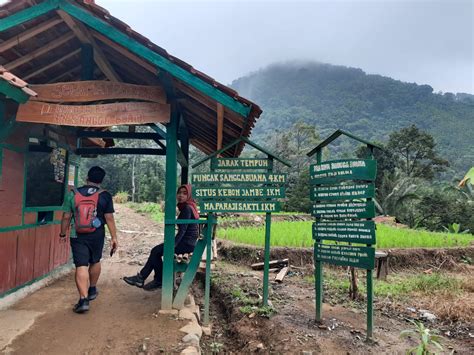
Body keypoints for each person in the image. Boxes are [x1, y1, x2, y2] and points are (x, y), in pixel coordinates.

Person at [60, 166, 118, 314]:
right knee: (95, 261)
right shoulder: (105, 195)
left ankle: (83, 300)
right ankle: (92, 289)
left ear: (87, 177)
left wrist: (62, 234)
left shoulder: (73, 193)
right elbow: (109, 218)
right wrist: (114, 237)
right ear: (101, 180)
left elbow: (66, 216)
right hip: (97, 234)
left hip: (77, 234)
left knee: (81, 265)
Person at [123, 184, 199, 291]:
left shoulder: (187, 208)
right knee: (156, 251)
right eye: (179, 192)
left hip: (186, 244)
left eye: (184, 193)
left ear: (189, 195)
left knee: (156, 251)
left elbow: (183, 231)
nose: (181, 195)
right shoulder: (190, 206)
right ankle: (145, 278)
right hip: (189, 242)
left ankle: (153, 279)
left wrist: (172, 246)